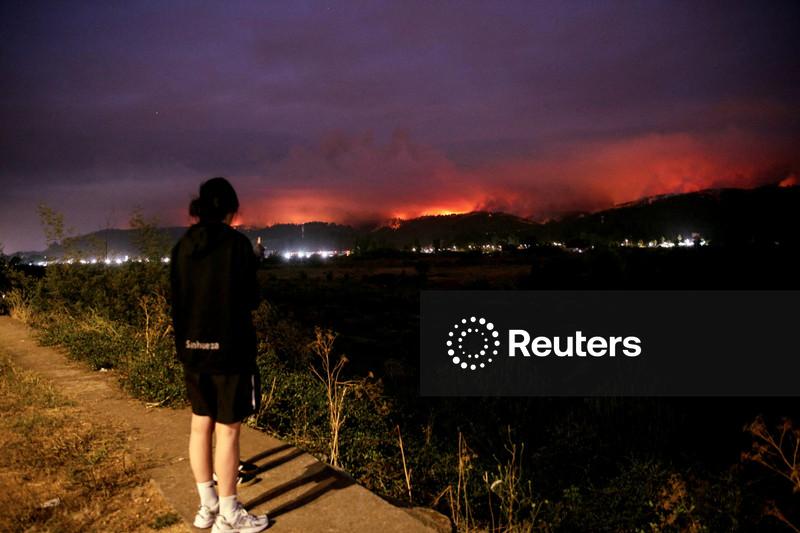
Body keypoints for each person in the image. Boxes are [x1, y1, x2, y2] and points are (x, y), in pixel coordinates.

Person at [170, 177, 268, 533]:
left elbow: (176, 300)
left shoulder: (182, 246)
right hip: (230, 352)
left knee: (200, 425)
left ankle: (207, 506)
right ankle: (229, 515)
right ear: (231, 209)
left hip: (192, 352)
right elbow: (251, 299)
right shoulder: (237, 246)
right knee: (228, 431)